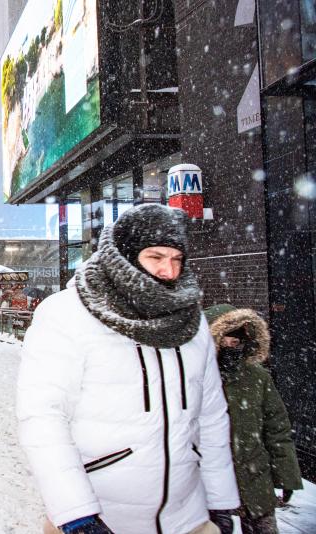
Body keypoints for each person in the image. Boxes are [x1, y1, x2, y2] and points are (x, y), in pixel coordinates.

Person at [17, 203, 240, 534]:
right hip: (104, 516)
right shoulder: (67, 315)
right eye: (156, 257)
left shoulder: (191, 321)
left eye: (177, 259)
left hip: (187, 517)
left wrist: (221, 501)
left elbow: (210, 417)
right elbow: (42, 418)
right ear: (125, 256)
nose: (169, 271)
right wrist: (76, 514)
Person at [204, 304, 302, 534]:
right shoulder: (195, 378)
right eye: (227, 340)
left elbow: (276, 428)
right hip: (209, 483)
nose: (232, 346)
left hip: (255, 477)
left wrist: (286, 475)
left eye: (238, 341)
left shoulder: (257, 378)